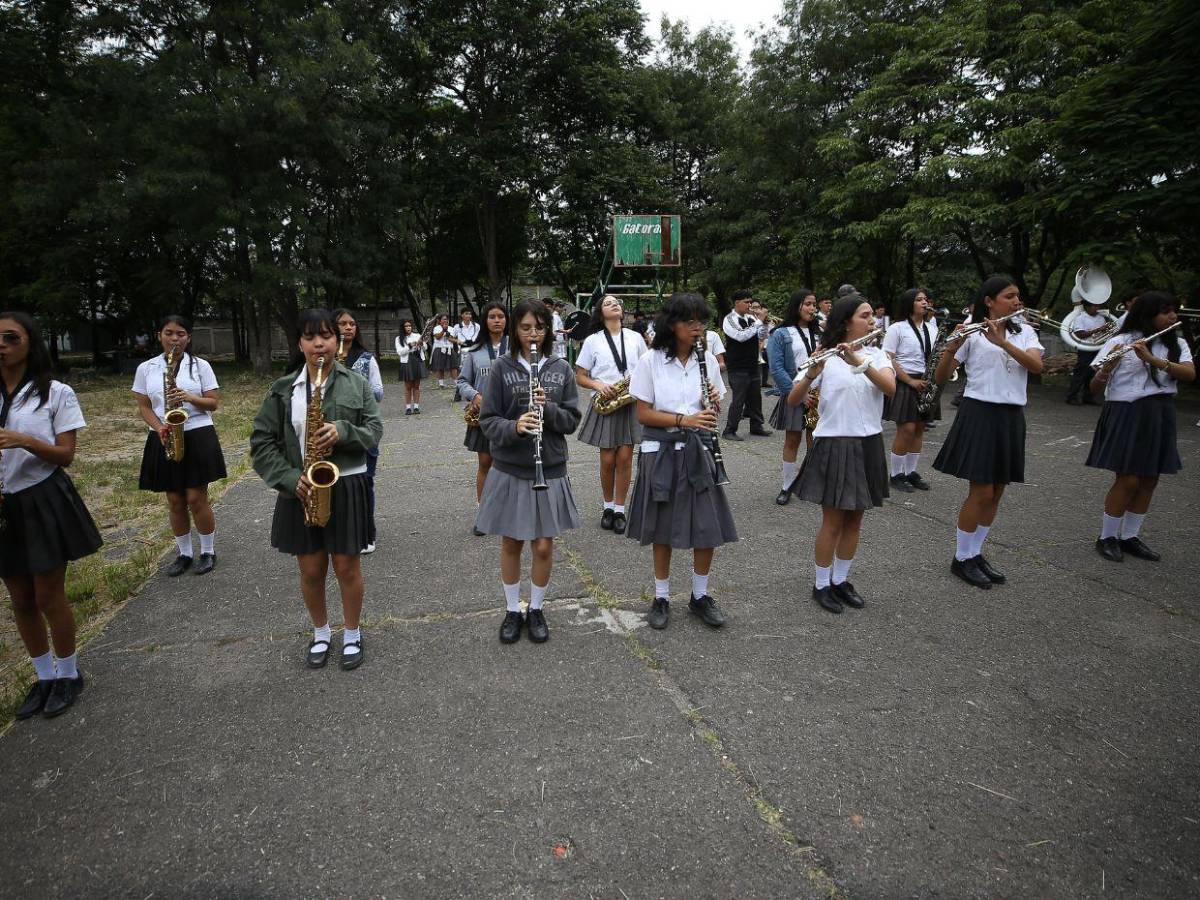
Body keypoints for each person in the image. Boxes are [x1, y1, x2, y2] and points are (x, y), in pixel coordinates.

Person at [251, 309, 383, 670]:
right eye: (310, 337)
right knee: (311, 570)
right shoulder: (282, 390)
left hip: (348, 483)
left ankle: (352, 633)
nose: (319, 343)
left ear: (336, 340)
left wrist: (344, 431)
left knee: (347, 566)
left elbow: (374, 430)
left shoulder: (356, 383)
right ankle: (322, 632)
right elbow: (262, 443)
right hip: (301, 489)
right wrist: (290, 479)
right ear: (300, 343)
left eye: (326, 335)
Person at [0, 310, 103, 719]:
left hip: (41, 497)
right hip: (5, 505)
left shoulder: (55, 392)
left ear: (30, 344)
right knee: (19, 598)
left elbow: (66, 455)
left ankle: (68, 673)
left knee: (47, 594)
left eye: (11, 338)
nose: (2, 346)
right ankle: (42, 677)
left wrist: (23, 440)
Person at [627, 292, 737, 631]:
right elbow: (643, 414)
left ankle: (700, 596)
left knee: (706, 526)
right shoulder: (651, 360)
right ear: (672, 324)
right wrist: (683, 420)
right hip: (661, 451)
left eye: (701, 322)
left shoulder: (707, 361)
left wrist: (712, 402)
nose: (697, 328)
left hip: (698, 450)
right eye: (690, 322)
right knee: (663, 527)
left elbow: (712, 407)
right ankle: (661, 596)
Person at [475, 299, 581, 644]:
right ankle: (511, 609)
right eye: (525, 327)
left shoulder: (560, 368)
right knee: (511, 541)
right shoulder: (500, 368)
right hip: (510, 466)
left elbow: (570, 420)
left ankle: (536, 608)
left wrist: (547, 408)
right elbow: (487, 420)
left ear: (547, 330)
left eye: (539, 327)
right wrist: (516, 426)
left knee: (544, 546)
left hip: (548, 466)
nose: (533, 334)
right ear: (514, 330)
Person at [933, 276, 1044, 590]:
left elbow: (1036, 367)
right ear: (989, 301)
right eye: (1009, 296)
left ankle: (975, 552)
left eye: (1017, 296)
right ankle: (961, 557)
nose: (1017, 302)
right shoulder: (972, 331)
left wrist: (1004, 342)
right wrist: (951, 347)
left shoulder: (1025, 331)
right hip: (979, 412)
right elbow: (942, 377)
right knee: (980, 491)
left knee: (998, 489)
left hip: (1011, 415)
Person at [787, 295, 896, 613]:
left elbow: (890, 388)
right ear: (847, 321)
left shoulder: (877, 355)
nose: (872, 320)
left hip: (868, 443)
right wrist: (811, 372)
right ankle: (821, 585)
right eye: (865, 315)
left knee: (856, 519)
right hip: (834, 443)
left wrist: (859, 363)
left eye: (872, 315)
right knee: (833, 521)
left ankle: (841, 580)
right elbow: (794, 399)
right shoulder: (826, 356)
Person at [1087, 292, 1194, 562]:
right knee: (1128, 478)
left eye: (1174, 311)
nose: (1173, 317)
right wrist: (1107, 368)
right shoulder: (1120, 341)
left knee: (1150, 478)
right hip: (1126, 411)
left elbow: (1190, 374)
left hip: (1160, 412)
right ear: (1147, 315)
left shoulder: (1177, 342)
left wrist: (1153, 359)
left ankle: (1130, 536)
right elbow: (1095, 387)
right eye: (1166, 311)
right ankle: (1108, 536)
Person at [132, 315, 227, 576]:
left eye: (181, 334)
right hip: (163, 434)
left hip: (197, 432)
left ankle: (207, 551)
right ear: (159, 335)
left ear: (189, 337)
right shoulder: (147, 368)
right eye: (169, 333)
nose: (175, 339)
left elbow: (213, 403)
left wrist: (189, 397)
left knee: (196, 497)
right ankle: (184, 553)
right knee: (174, 500)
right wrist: (157, 426)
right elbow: (144, 405)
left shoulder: (200, 366)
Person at [574, 295, 643, 534]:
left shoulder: (635, 337)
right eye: (608, 303)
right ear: (600, 312)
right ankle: (607, 507)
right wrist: (599, 385)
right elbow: (580, 376)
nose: (615, 305)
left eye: (617, 302)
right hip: (606, 401)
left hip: (630, 401)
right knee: (607, 460)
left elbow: (646, 368)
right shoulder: (593, 341)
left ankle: (620, 510)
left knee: (625, 459)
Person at [333, 309, 385, 554]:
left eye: (352, 323)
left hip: (362, 429)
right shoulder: (324, 359)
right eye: (342, 323)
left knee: (365, 483)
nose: (348, 327)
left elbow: (379, 393)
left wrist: (354, 383)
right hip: (329, 432)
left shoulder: (366, 358)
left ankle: (367, 532)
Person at [457, 302, 509, 534]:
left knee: (510, 465)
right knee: (485, 465)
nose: (497, 320)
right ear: (484, 321)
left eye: (500, 316)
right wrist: (475, 395)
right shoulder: (474, 352)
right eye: (492, 317)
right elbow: (461, 382)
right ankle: (483, 514)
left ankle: (510, 513)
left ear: (507, 320)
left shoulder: (517, 349)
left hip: (512, 417)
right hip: (484, 417)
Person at [882, 289, 940, 493]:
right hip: (906, 381)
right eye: (919, 300)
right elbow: (888, 357)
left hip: (925, 381)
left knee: (919, 429)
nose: (925, 302)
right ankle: (896, 475)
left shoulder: (933, 329)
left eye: (925, 299)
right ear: (909, 304)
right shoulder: (897, 328)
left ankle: (910, 472)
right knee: (906, 429)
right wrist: (908, 380)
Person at [766, 289, 820, 504]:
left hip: (820, 394)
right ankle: (787, 485)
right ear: (796, 305)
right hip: (796, 392)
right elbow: (776, 368)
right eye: (808, 304)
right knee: (793, 439)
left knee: (816, 440)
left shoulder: (820, 333)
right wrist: (799, 393)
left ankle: (811, 482)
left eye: (814, 304)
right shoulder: (781, 333)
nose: (812, 308)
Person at [721, 289, 771, 441]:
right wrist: (759, 322)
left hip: (752, 363)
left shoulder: (751, 318)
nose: (750, 305)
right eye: (747, 302)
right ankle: (729, 430)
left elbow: (761, 337)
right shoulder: (729, 319)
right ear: (737, 303)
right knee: (739, 399)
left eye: (751, 302)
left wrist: (764, 325)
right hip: (737, 365)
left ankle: (756, 426)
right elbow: (740, 336)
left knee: (755, 397)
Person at [1066, 298, 1111, 405]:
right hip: (1085, 348)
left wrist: (1106, 329)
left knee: (1093, 372)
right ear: (1087, 307)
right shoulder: (1080, 318)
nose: (1097, 308)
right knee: (1080, 372)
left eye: (1098, 306)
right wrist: (1098, 330)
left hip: (1098, 348)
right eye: (1094, 306)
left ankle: (1088, 397)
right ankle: (1072, 396)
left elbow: (1106, 332)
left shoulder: (1102, 318)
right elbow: (1080, 334)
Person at [395, 320, 427, 414]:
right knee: (408, 386)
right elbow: (400, 352)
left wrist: (421, 344)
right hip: (407, 362)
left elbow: (425, 347)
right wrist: (409, 346)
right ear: (402, 328)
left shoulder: (417, 335)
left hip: (417, 360)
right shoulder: (398, 339)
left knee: (416, 386)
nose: (408, 327)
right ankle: (408, 407)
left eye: (409, 326)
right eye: (406, 326)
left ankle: (416, 407)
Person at [450, 309, 480, 400]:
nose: (469, 315)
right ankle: (458, 392)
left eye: (470, 313)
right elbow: (450, 338)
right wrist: (457, 341)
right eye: (466, 313)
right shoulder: (457, 327)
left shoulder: (476, 326)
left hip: (474, 349)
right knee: (463, 372)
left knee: (475, 370)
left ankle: (474, 392)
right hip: (463, 350)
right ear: (462, 315)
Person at [429, 314, 456, 389]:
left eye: (446, 319)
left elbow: (452, 339)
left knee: (453, 366)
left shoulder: (451, 328)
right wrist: (443, 330)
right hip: (439, 348)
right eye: (444, 319)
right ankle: (441, 384)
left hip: (449, 348)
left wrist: (448, 334)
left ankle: (456, 383)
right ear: (439, 321)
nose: (446, 320)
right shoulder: (436, 328)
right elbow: (437, 337)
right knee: (440, 367)